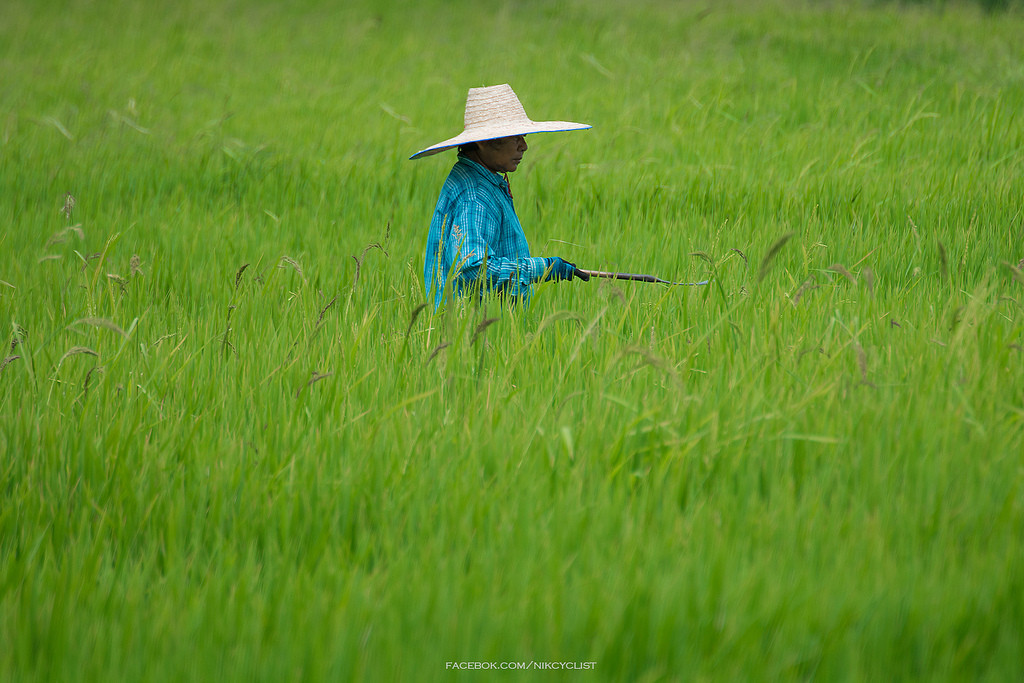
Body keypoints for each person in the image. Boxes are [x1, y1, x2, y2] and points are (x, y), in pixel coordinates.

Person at [411, 84, 591, 308]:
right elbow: (472, 268)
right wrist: (541, 268)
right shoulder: (475, 196)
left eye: (523, 137)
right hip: (473, 333)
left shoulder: (476, 179)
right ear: (483, 142)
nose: (524, 146)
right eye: (515, 138)